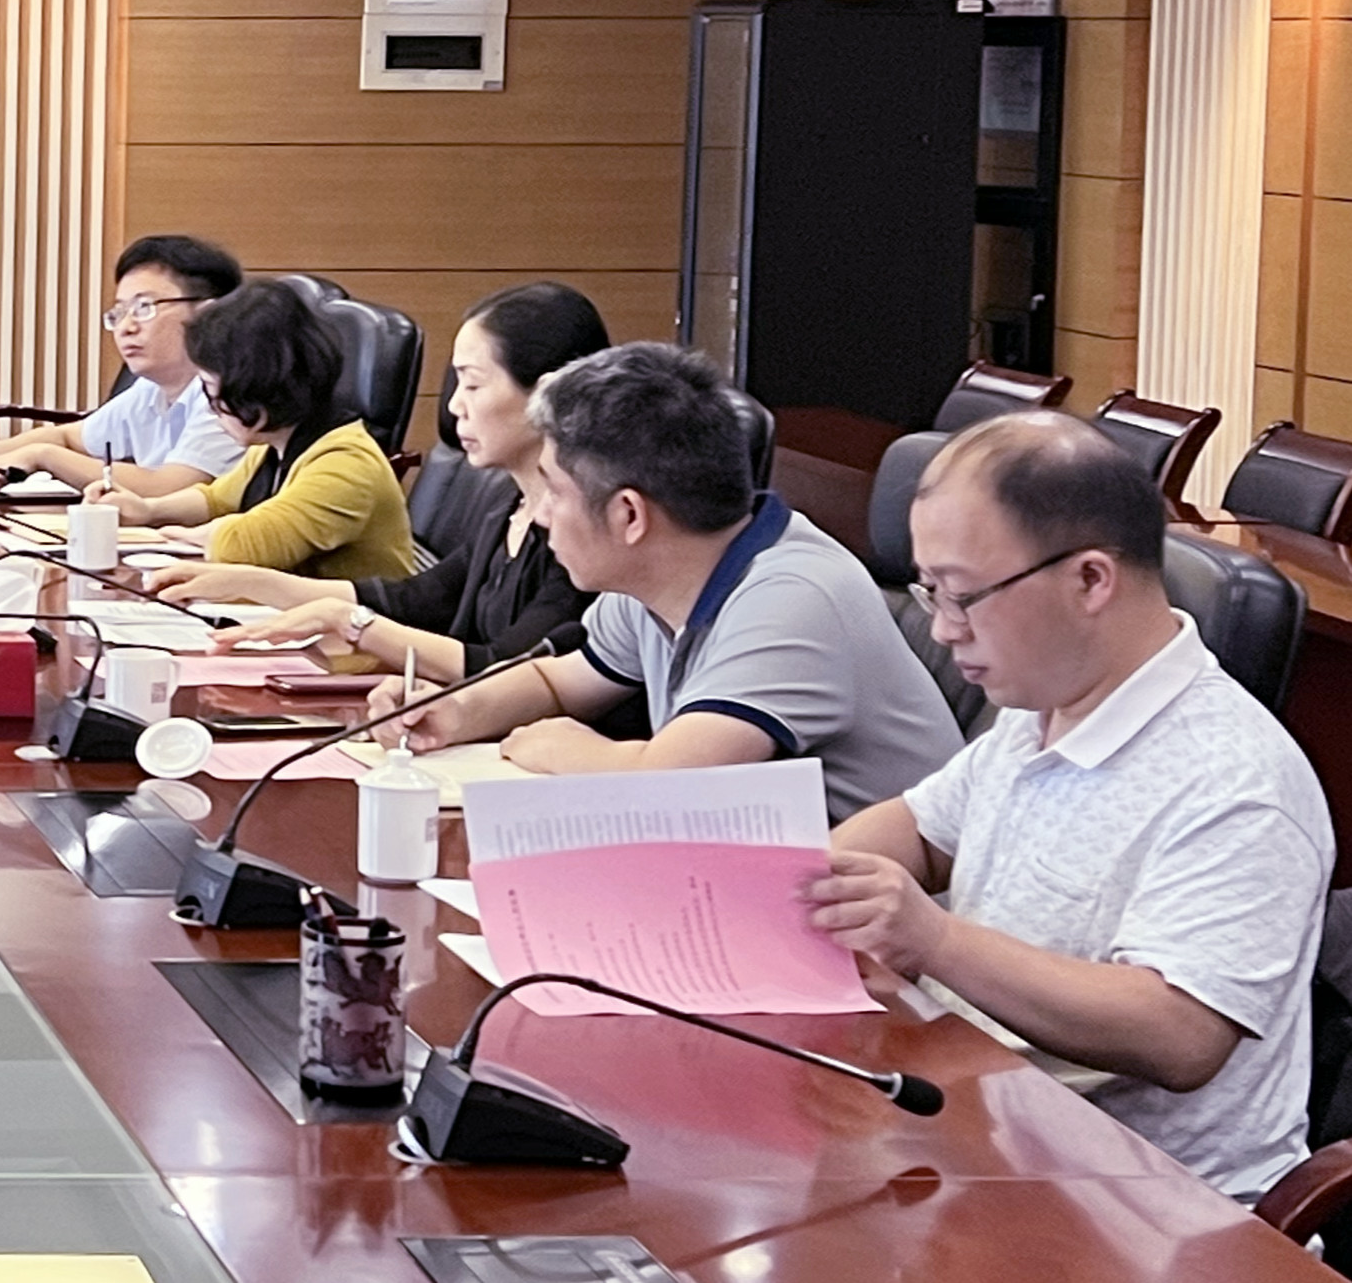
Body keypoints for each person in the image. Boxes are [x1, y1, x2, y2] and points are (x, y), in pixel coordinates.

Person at [803, 413, 1330, 1202]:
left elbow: (1178, 1033)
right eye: (929, 592)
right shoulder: (1043, 702)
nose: (942, 629)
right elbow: (919, 829)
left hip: (1143, 1209)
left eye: (963, 596)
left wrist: (933, 939)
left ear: (1088, 580)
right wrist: (817, 885)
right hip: (984, 1131)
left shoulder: (1236, 779)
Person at [377, 341, 960, 818]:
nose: (543, 515)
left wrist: (564, 747)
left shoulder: (794, 598)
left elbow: (669, 782)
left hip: (887, 908)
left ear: (629, 515)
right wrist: (455, 711)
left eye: (553, 490)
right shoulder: (663, 573)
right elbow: (560, 682)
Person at [154, 284, 625, 718]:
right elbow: (415, 599)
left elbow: (509, 667)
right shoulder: (506, 507)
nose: (454, 405)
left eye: (473, 384)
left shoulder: (589, 536)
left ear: (547, 395)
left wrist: (353, 624)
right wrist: (253, 583)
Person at [92, 280, 416, 581]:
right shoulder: (270, 445)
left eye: (210, 390)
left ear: (255, 387)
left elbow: (252, 545)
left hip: (359, 622)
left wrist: (191, 534)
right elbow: (216, 499)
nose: (211, 407)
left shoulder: (346, 463)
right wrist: (148, 510)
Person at [0, 235, 246, 500]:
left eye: (143, 308)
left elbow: (169, 487)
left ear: (208, 314)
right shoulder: (151, 389)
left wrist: (43, 457)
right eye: (120, 312)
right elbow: (70, 437)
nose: (126, 327)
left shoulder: (232, 395)